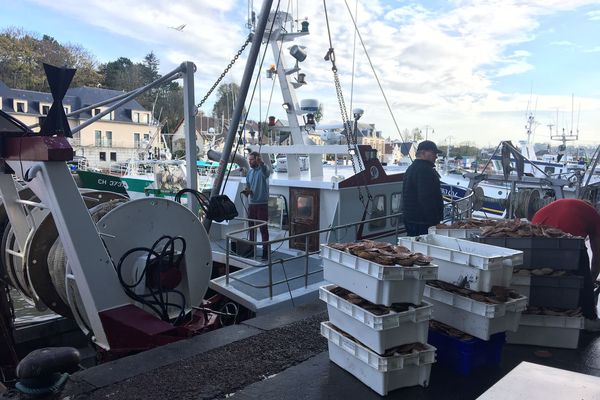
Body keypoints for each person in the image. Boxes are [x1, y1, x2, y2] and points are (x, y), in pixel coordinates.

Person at [531, 198, 600, 331]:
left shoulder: (561, 204)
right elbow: (597, 256)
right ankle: (589, 318)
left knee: (542, 274)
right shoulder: (594, 215)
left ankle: (538, 309)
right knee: (581, 267)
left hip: (536, 231)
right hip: (568, 243)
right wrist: (590, 282)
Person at [402, 140, 444, 236]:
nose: (436, 156)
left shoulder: (411, 168)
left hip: (411, 219)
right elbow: (426, 198)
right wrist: (435, 221)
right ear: (423, 153)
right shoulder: (425, 170)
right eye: (434, 153)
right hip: (423, 222)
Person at [242, 151, 270, 260]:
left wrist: (262, 163)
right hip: (252, 204)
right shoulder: (249, 173)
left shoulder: (263, 170)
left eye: (252, 160)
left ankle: (265, 251)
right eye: (249, 160)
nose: (249, 162)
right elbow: (248, 186)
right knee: (251, 228)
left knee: (263, 228)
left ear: (257, 159)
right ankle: (252, 248)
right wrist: (246, 191)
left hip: (262, 204)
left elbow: (266, 172)